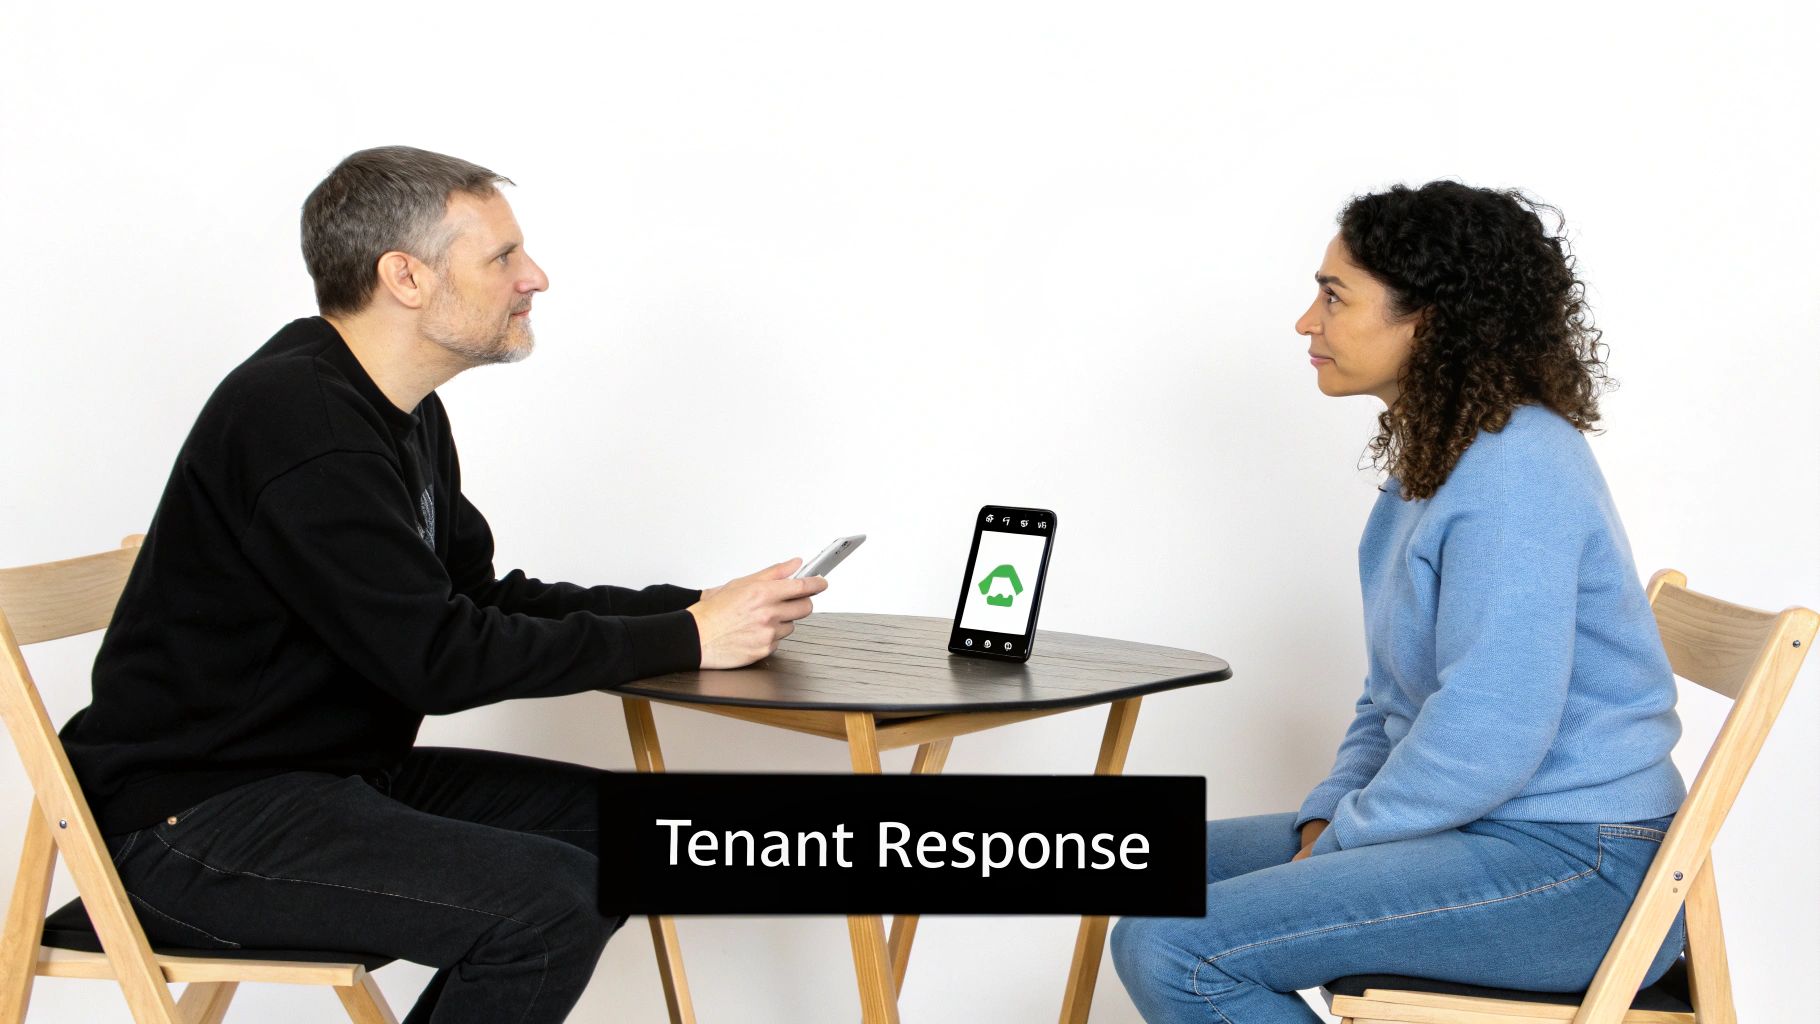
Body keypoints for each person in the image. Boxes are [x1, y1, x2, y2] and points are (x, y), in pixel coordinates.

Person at [58, 145, 825, 1024]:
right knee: (547, 908)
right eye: (502, 257)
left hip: (330, 779)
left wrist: (691, 611)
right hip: (188, 824)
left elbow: (477, 600)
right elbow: (438, 660)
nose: (534, 277)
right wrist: (689, 639)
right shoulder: (299, 422)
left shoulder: (398, 408)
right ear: (406, 277)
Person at [1109, 181, 1688, 1022]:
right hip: (1499, 832)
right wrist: (1323, 821)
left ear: (1429, 318)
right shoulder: (1436, 461)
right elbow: (1391, 703)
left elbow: (1489, 735)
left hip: (1581, 869)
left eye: (1334, 296)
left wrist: (1341, 842)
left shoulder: (1516, 469)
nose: (1307, 322)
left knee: (1171, 947)